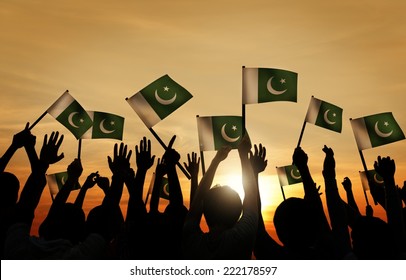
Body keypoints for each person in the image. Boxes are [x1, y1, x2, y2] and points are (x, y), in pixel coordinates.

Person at [182, 133, 259, 259]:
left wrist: (216, 160)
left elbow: (198, 199)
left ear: (205, 211)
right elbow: (251, 194)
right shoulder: (243, 237)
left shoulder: (192, 241)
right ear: (238, 212)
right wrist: (244, 156)